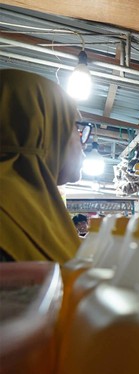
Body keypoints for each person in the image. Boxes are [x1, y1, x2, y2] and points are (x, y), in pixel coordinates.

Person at [0, 69, 84, 263]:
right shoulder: (10, 212)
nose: (83, 142)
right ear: (45, 131)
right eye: (75, 127)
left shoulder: (32, 206)